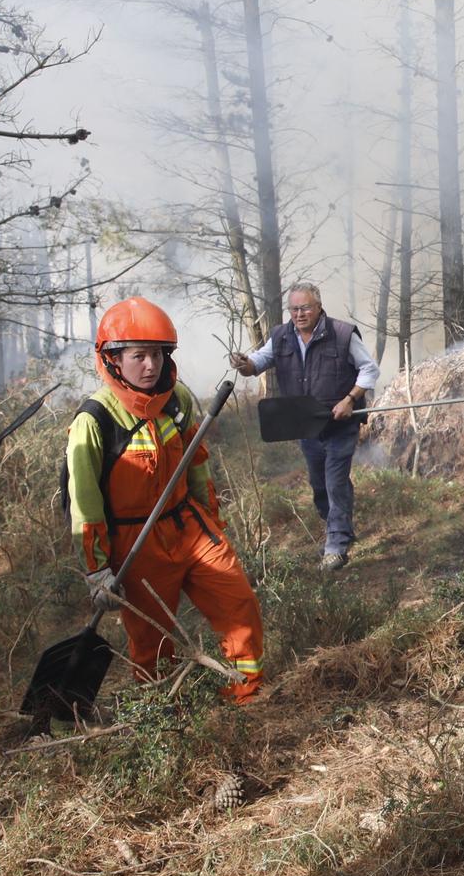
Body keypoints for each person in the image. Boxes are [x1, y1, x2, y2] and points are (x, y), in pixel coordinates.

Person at [69, 297, 265, 703]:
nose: (151, 365)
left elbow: (196, 464)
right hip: (135, 543)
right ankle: (166, 718)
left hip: (190, 527)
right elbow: (84, 504)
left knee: (238, 603)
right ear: (113, 360)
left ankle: (247, 698)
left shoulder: (177, 399)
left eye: (157, 354)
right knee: (152, 642)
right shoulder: (94, 421)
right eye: (139, 355)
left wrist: (210, 522)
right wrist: (97, 570)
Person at [229, 282, 380, 571]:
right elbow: (258, 362)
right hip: (306, 424)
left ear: (318, 306)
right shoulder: (282, 336)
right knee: (319, 484)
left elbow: (369, 369)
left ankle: (335, 546)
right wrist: (244, 363)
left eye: (305, 307)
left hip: (340, 423)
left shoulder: (342, 333)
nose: (299, 314)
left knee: (335, 481)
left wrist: (350, 400)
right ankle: (340, 527)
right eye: (294, 309)